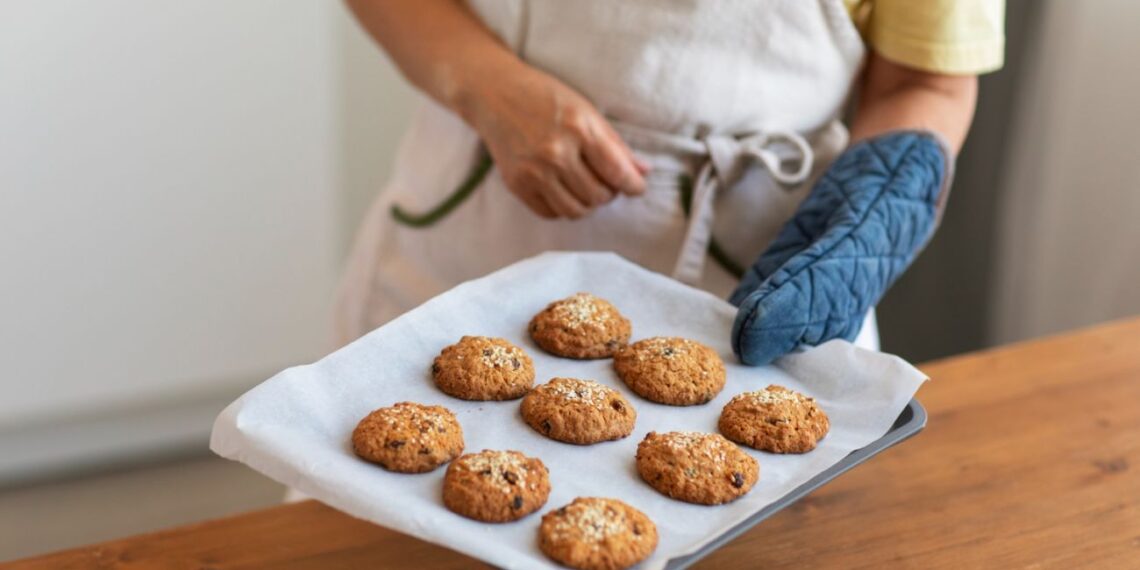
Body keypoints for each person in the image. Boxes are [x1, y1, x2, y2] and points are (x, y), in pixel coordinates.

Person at [337, 0, 1005, 358]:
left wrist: (868, 223)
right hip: (467, 244)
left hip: (758, 282)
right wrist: (484, 84)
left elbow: (928, 81)